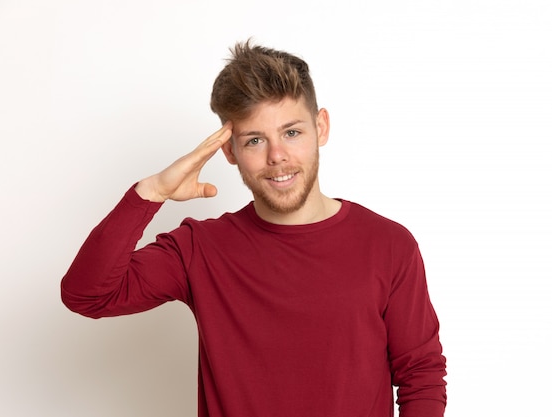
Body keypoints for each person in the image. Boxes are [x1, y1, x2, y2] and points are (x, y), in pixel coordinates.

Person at [61, 40, 447, 417]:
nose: (277, 156)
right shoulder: (201, 248)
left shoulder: (388, 245)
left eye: (292, 133)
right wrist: (151, 192)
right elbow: (88, 295)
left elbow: (421, 375)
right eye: (255, 140)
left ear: (321, 127)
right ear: (229, 151)